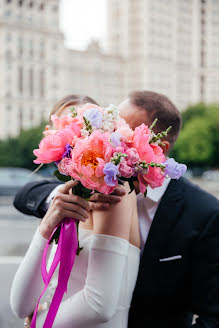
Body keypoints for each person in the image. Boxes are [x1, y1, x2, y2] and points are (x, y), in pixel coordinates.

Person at [13, 91, 219, 328]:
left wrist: (42, 323)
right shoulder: (92, 181)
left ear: (157, 147)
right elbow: (27, 193)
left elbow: (213, 316)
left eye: (125, 132)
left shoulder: (204, 213)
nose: (109, 134)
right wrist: (63, 203)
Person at [10, 94, 141, 327]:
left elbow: (99, 305)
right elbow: (20, 307)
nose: (79, 135)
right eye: (67, 127)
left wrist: (40, 323)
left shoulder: (114, 191)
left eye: (83, 125)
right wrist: (46, 226)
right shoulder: (62, 199)